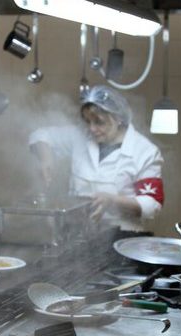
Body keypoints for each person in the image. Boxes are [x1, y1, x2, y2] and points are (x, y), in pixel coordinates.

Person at [29, 85, 164, 232]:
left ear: (118, 118)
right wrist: (45, 159)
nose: (92, 129)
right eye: (87, 122)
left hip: (122, 234)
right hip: (77, 232)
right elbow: (41, 135)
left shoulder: (144, 151)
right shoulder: (79, 136)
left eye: (99, 122)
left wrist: (113, 201)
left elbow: (152, 204)